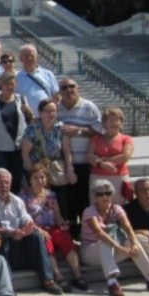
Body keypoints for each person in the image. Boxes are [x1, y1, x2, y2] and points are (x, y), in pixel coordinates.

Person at [80, 179, 149, 296]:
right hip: (90, 252)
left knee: (135, 240)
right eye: (100, 194)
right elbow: (100, 233)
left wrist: (134, 244)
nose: (104, 197)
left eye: (108, 193)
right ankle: (112, 282)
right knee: (104, 242)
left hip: (112, 250)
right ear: (95, 197)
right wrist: (121, 248)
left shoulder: (117, 209)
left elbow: (128, 228)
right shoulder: (89, 212)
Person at [0, 168, 64, 295]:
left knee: (36, 236)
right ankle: (8, 285)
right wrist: (11, 233)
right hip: (2, 239)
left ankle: (48, 280)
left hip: (18, 239)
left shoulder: (16, 200)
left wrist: (25, 230)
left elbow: (26, 219)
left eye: (7, 183)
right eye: (0, 183)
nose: (4, 186)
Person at [20, 165, 87, 292]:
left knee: (65, 237)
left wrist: (63, 224)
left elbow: (58, 216)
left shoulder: (51, 195)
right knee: (46, 240)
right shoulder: (23, 197)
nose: (39, 180)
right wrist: (39, 229)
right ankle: (58, 275)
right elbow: (24, 219)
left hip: (51, 227)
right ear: (30, 180)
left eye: (42, 177)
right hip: (35, 230)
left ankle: (77, 275)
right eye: (35, 178)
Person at [56, 77, 102, 236]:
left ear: (78, 88)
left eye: (71, 86)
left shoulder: (89, 107)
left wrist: (79, 130)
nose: (68, 90)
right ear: (59, 92)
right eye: (64, 88)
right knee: (68, 202)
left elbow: (99, 130)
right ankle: (71, 235)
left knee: (84, 200)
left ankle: (86, 233)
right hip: (63, 163)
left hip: (84, 162)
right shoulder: (56, 108)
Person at [21, 98, 76, 217]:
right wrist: (30, 171)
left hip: (57, 170)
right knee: (41, 201)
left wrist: (70, 169)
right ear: (41, 113)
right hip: (39, 170)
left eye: (54, 111)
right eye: (48, 111)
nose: (51, 114)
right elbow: (25, 153)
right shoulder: (32, 129)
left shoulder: (61, 128)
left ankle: (63, 223)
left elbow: (66, 151)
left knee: (61, 200)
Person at [87, 107, 133, 205]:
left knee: (119, 207)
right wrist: (101, 164)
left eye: (118, 120)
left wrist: (104, 161)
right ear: (104, 123)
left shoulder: (126, 139)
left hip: (118, 177)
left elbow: (125, 156)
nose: (115, 123)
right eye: (111, 120)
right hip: (98, 177)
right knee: (97, 206)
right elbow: (89, 156)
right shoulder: (96, 138)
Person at [15, 44, 59, 116]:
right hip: (27, 119)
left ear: (37, 57)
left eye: (32, 56)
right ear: (20, 58)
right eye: (26, 56)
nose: (29, 58)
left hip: (47, 118)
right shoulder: (16, 78)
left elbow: (56, 97)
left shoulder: (48, 74)